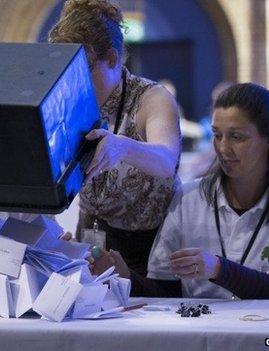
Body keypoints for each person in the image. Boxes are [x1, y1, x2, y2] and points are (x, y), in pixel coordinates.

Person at [92, 83, 269, 299]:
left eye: (236, 137)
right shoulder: (188, 197)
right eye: (217, 135)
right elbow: (166, 292)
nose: (223, 148)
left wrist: (218, 268)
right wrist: (126, 278)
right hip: (202, 338)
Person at [48, 0, 180, 276]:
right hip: (91, 239)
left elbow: (167, 160)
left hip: (150, 249)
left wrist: (122, 146)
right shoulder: (69, 101)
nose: (73, 85)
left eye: (82, 72)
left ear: (112, 59)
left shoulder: (151, 98)